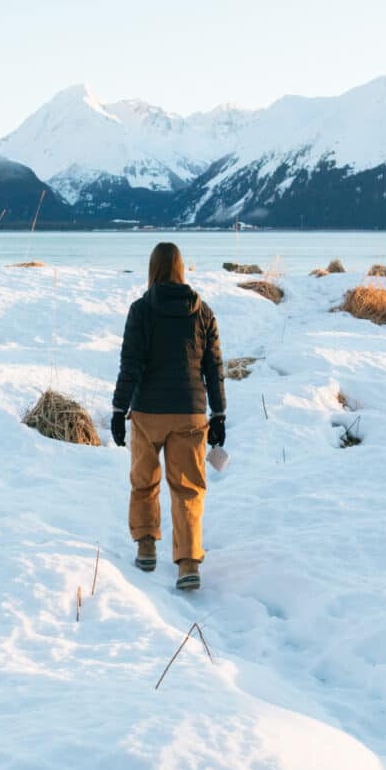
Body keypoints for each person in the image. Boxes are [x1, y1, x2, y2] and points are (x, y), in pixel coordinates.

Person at [111, 242, 226, 591]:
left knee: (144, 480)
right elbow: (214, 367)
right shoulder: (203, 312)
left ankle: (146, 546)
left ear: (153, 269)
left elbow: (130, 365)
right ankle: (188, 563)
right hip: (190, 413)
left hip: (148, 412)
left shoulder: (141, 310)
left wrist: (119, 409)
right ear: (181, 268)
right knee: (188, 489)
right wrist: (218, 413)